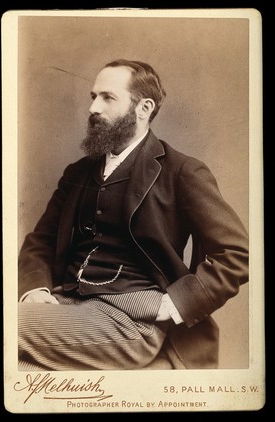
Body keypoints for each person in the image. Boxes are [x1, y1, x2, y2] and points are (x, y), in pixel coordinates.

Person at [18, 59, 249, 371]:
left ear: (144, 108)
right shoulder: (79, 172)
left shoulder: (180, 171)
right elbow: (41, 240)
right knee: (20, 372)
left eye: (108, 97)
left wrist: (178, 303)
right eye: (93, 97)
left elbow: (237, 252)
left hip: (132, 320)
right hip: (65, 305)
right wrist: (35, 289)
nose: (93, 108)